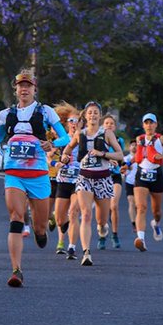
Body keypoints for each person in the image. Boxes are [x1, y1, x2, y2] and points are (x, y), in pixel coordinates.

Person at [0, 69, 70, 287]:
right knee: (15, 217)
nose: (24, 89)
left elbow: (66, 137)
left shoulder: (45, 112)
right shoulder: (6, 114)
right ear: (15, 89)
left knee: (40, 226)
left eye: (28, 85)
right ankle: (16, 270)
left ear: (34, 89)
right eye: (20, 85)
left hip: (39, 174)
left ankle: (40, 231)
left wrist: (53, 144)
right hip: (14, 173)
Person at [60, 101, 123, 266]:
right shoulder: (79, 134)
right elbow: (67, 150)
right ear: (85, 116)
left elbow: (120, 155)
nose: (93, 115)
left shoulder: (107, 133)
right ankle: (86, 252)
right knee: (86, 214)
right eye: (90, 113)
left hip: (103, 179)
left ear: (100, 116)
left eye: (96, 112)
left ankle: (102, 229)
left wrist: (102, 153)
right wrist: (64, 157)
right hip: (84, 178)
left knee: (101, 220)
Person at [133, 112, 163, 250]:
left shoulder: (162, 139)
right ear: (143, 125)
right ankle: (141, 239)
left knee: (157, 211)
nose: (149, 125)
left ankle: (156, 223)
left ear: (156, 124)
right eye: (146, 123)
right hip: (141, 174)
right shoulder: (139, 139)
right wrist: (127, 164)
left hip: (156, 175)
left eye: (151, 123)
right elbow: (138, 156)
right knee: (141, 207)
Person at [52, 105, 81, 257]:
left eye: (77, 120)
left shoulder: (85, 139)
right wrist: (56, 163)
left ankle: (71, 247)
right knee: (59, 218)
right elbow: (48, 156)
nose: (74, 123)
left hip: (79, 180)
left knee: (74, 212)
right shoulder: (62, 140)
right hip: (63, 179)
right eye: (71, 120)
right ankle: (65, 226)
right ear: (67, 123)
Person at [102, 114, 125, 248]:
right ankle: (102, 235)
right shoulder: (98, 139)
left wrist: (122, 166)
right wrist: (107, 158)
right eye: (106, 123)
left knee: (114, 206)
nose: (109, 125)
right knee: (103, 209)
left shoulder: (119, 140)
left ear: (115, 127)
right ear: (102, 126)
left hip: (115, 175)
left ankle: (115, 234)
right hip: (102, 175)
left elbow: (121, 157)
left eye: (111, 123)